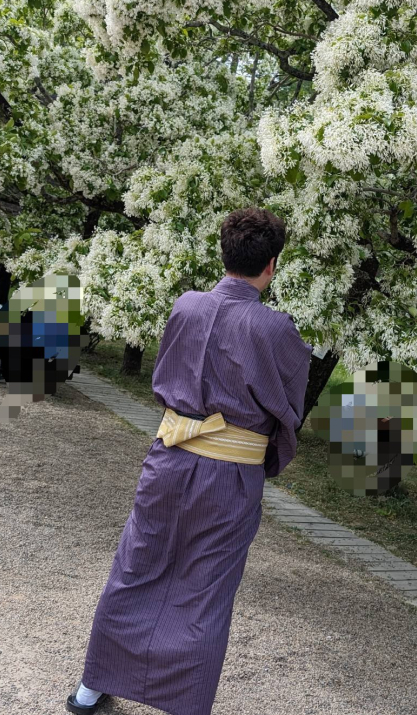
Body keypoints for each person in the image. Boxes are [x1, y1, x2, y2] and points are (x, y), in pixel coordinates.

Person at [67, 207, 313, 715]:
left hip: (170, 455)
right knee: (205, 587)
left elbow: (165, 374)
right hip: (231, 472)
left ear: (223, 255)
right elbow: (289, 407)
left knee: (137, 564)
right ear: (271, 264)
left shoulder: (186, 306)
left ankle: (91, 689)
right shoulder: (274, 329)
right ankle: (183, 702)